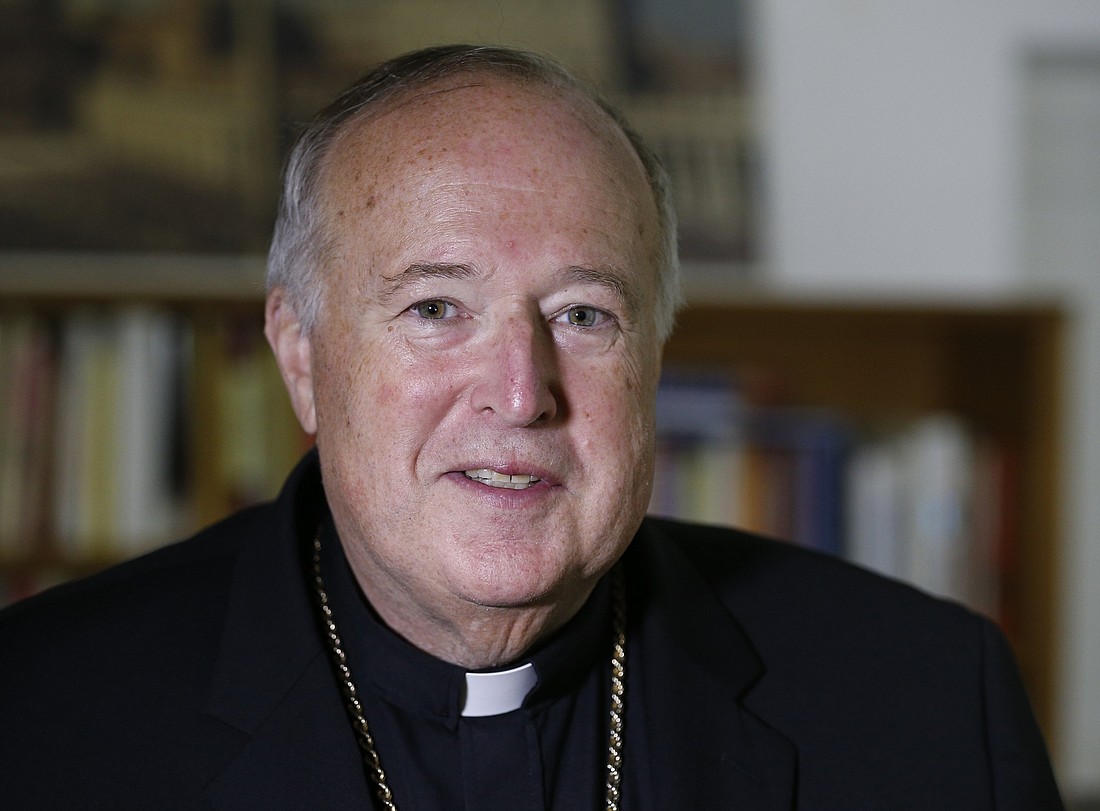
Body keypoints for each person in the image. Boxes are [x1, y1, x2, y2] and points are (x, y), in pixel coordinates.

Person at [0, 44, 1063, 810]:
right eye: (433, 308)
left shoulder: (925, 699)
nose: (520, 393)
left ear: (652, 357)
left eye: (582, 315)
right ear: (300, 356)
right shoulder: (42, 712)